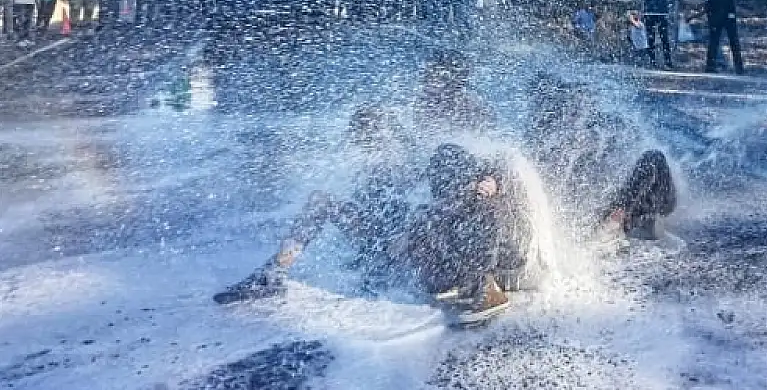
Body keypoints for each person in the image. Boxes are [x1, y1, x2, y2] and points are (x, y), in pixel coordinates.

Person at [213, 140, 534, 325]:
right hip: (398, 245)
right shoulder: (448, 186)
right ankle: (272, 273)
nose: (445, 189)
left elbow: (497, 239)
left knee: (424, 222)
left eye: (455, 183)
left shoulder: (487, 201)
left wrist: (494, 182)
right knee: (321, 201)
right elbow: (420, 191)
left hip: (446, 268)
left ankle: (483, 287)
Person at [528, 74, 678, 243]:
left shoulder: (605, 128)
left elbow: (645, 162)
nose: (574, 115)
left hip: (647, 195)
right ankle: (623, 220)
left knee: (653, 157)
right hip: (614, 209)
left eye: (578, 108)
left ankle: (622, 215)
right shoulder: (549, 143)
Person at [640, 0, 675, 69]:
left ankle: (668, 62)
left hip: (661, 11)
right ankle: (652, 62)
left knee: (664, 37)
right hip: (649, 10)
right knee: (650, 38)